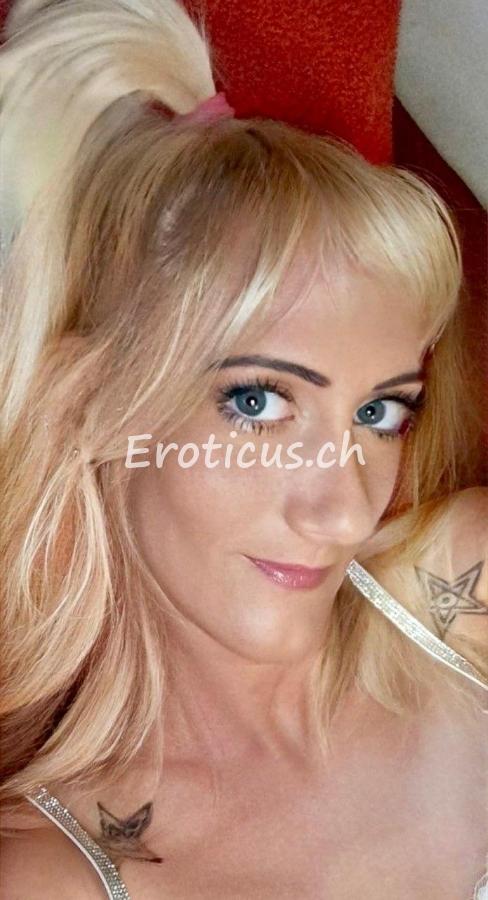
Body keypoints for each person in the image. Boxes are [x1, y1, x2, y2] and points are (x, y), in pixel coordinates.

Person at [0, 1, 487, 897]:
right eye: (257, 402)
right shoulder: (56, 876)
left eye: (380, 413)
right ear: (89, 404)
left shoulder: (463, 593)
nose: (344, 511)